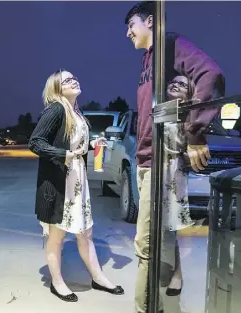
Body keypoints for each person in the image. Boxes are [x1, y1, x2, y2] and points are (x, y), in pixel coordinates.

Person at [124, 2, 225, 312]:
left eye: (132, 26)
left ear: (150, 21)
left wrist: (195, 131)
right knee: (161, 239)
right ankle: (168, 295)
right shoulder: (148, 61)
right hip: (144, 161)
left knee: (145, 246)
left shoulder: (172, 46)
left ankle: (143, 309)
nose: (128, 33)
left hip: (161, 162)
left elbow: (211, 75)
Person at [29, 69, 124, 302]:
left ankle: (98, 278)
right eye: (67, 80)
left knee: (86, 233)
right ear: (57, 88)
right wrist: (64, 154)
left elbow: (74, 144)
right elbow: (35, 142)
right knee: (57, 237)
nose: (74, 81)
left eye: (74, 77)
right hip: (59, 184)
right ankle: (57, 283)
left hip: (77, 183)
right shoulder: (56, 109)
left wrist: (92, 144)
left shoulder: (76, 112)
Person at [163, 74, 195, 296]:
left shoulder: (193, 115)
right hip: (157, 171)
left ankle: (178, 274)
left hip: (178, 174)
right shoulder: (162, 110)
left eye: (182, 84)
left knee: (179, 228)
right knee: (156, 226)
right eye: (173, 82)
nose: (175, 85)